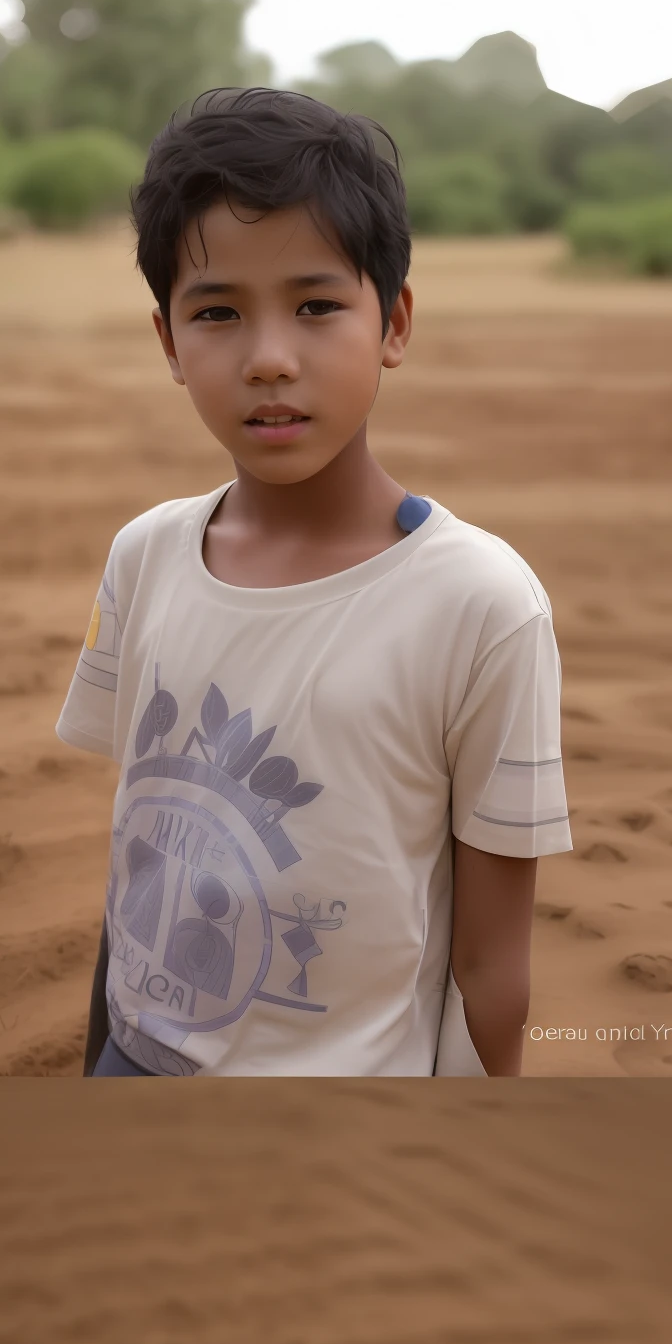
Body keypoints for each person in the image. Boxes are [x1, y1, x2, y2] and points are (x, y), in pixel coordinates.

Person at [56, 88, 572, 1078]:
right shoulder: (146, 554)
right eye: (217, 312)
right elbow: (143, 861)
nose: (270, 358)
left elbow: (493, 967)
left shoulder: (481, 604)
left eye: (318, 304)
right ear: (168, 339)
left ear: (394, 321)